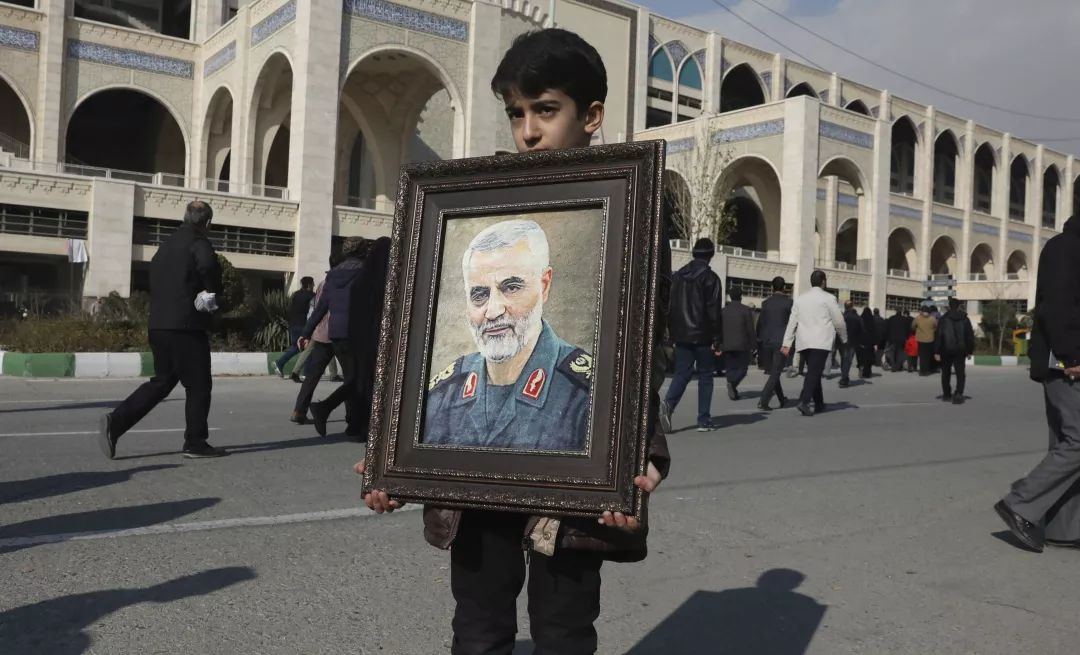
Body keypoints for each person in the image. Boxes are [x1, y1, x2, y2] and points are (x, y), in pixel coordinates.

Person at [359, 29, 671, 655]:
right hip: (474, 502)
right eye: (516, 113)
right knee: (477, 628)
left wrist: (642, 454)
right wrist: (389, 454)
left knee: (563, 630)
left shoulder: (631, 215)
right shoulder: (472, 202)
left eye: (546, 110)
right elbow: (407, 337)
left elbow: (642, 346)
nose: (528, 132)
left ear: (592, 116)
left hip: (573, 501)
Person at [424, 220, 592, 451]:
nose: (493, 311)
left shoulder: (586, 395)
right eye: (479, 294)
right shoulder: (442, 395)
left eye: (511, 287)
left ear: (544, 286)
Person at [97, 201, 227, 459]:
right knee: (199, 385)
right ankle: (195, 443)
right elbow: (207, 266)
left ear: (185, 217)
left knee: (162, 381)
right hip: (186, 327)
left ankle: (116, 422)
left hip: (158, 325)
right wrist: (211, 291)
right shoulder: (198, 242)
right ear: (208, 222)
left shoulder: (165, 245)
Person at [994, 214, 1080, 552]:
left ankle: (1063, 528)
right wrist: (1072, 356)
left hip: (1068, 359)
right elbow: (1056, 308)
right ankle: (1019, 503)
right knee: (1077, 442)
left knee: (1065, 441)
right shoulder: (1065, 247)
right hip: (1065, 362)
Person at [301, 236, 391, 440]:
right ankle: (340, 417)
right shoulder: (367, 272)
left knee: (355, 379)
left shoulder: (333, 276)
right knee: (360, 380)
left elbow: (321, 308)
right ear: (362, 251)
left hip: (336, 334)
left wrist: (306, 332)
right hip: (359, 334)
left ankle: (351, 423)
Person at [660, 237, 723, 432]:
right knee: (706, 376)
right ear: (711, 255)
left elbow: (670, 306)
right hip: (703, 335)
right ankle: (704, 420)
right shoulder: (711, 278)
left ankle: (668, 404)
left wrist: (672, 333)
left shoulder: (678, 276)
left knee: (682, 373)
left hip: (681, 335)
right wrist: (717, 338)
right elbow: (714, 312)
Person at [782, 270, 847, 417]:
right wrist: (844, 338)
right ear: (823, 281)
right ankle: (804, 402)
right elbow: (839, 321)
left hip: (804, 342)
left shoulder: (800, 299)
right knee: (814, 372)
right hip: (821, 342)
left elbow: (792, 323)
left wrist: (787, 343)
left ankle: (819, 403)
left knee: (814, 371)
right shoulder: (829, 298)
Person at [290, 253, 344, 424]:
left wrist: (308, 331)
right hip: (339, 334)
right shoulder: (345, 281)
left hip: (321, 333)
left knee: (312, 377)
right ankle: (353, 419)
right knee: (352, 378)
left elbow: (317, 309)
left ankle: (299, 410)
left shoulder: (323, 283)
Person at [757, 276, 792, 411]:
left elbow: (760, 323)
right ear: (784, 287)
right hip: (781, 341)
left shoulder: (765, 303)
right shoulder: (789, 303)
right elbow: (792, 323)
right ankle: (763, 400)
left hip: (767, 341)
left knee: (773, 371)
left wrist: (759, 340)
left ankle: (782, 399)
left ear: (772, 287)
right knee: (776, 372)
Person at [933, 297, 975, 404]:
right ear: (959, 306)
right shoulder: (965, 319)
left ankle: (947, 394)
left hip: (946, 349)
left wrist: (936, 351)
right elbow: (969, 336)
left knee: (946, 373)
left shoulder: (943, 319)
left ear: (949, 306)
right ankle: (959, 393)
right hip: (961, 349)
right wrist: (969, 350)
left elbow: (939, 335)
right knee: (960, 373)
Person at [274, 276, 316, 379]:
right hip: (303, 325)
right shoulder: (311, 296)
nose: (314, 285)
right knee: (308, 348)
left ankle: (280, 363)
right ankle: (306, 373)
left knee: (296, 347)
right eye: (313, 284)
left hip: (293, 324)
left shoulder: (296, 294)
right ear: (309, 285)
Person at [720, 287, 755, 401]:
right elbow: (750, 329)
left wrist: (718, 343)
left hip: (727, 345)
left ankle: (733, 389)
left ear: (730, 297)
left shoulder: (723, 311)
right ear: (741, 296)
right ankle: (733, 384)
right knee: (743, 369)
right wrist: (753, 345)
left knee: (730, 368)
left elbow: (719, 329)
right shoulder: (746, 310)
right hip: (742, 345)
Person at [838, 301, 862, 388]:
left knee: (843, 360)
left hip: (842, 341)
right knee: (847, 360)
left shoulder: (842, 317)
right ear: (852, 306)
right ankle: (844, 379)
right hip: (852, 342)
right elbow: (862, 330)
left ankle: (844, 377)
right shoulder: (857, 317)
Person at [912, 305, 938, 375]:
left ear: (922, 311)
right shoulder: (932, 319)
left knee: (922, 355)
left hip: (920, 339)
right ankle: (926, 370)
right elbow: (936, 327)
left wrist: (917, 330)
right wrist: (932, 331)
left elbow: (913, 326)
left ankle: (922, 370)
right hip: (930, 339)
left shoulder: (917, 318)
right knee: (928, 356)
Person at [858, 307, 877, 379]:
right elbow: (875, 332)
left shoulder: (860, 319)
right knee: (869, 357)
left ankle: (861, 368)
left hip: (862, 341)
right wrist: (874, 343)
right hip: (870, 342)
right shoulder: (872, 320)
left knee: (862, 357)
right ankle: (867, 372)